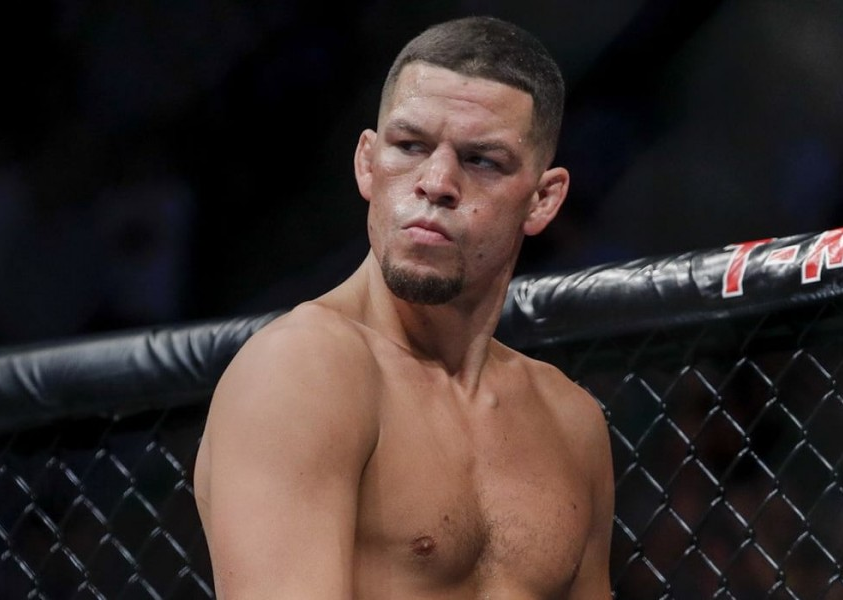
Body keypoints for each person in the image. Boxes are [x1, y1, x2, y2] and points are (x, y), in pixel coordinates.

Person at [194, 15, 614, 599]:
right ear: (367, 162)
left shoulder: (572, 423)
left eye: (482, 160)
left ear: (542, 200)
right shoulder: (303, 369)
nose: (436, 182)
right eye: (410, 146)